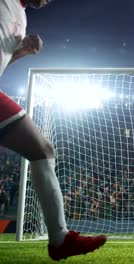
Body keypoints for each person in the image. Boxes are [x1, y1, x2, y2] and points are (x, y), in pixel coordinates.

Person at [0, 0, 106, 260]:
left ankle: (60, 240)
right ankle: (60, 240)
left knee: (42, 150)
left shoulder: (21, 18)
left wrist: (22, 52)